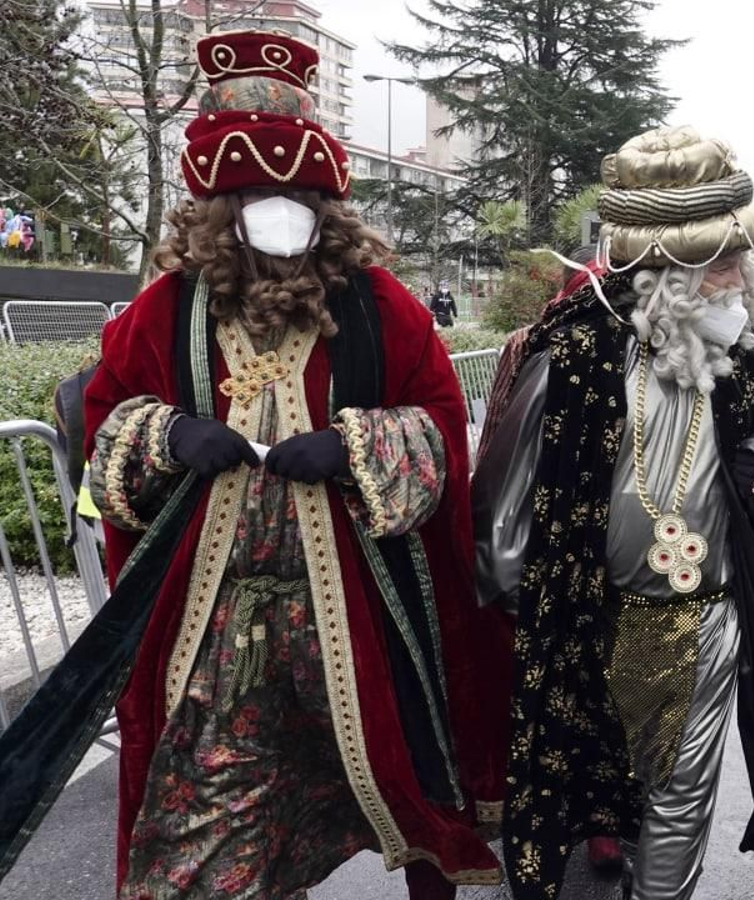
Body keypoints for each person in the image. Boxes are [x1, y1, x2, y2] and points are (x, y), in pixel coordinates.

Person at [0, 31, 512, 900]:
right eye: (257, 196)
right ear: (219, 208)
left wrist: (356, 445)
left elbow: (439, 424)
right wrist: (167, 435)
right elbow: (105, 425)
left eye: (298, 196)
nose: (281, 214)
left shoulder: (382, 306)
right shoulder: (164, 310)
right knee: (211, 833)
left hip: (355, 617)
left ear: (326, 203)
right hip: (216, 629)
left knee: (398, 781)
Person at [474, 125, 754, 900]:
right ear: (670, 270)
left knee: (679, 803)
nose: (740, 279)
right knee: (586, 791)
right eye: (723, 263)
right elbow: (501, 516)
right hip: (592, 624)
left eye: (740, 259)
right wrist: (535, 610)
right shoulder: (574, 359)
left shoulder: (745, 362)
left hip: (707, 624)